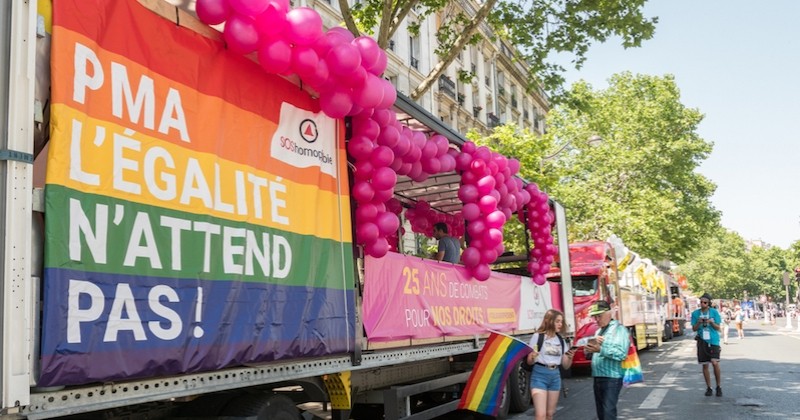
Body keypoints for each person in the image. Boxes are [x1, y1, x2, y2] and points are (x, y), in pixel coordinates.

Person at [525, 309, 576, 420]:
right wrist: (532, 356)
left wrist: (570, 357)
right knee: (540, 415)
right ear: (549, 321)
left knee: (549, 414)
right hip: (539, 375)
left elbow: (565, 365)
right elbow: (529, 361)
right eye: (557, 321)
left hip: (555, 377)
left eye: (561, 322)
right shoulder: (538, 337)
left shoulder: (560, 340)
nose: (560, 324)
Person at [584, 301, 629, 420]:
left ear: (609, 313)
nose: (597, 320)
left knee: (608, 412)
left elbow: (622, 354)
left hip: (611, 377)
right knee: (602, 413)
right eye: (595, 317)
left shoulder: (619, 330)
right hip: (598, 376)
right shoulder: (598, 331)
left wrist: (600, 349)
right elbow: (592, 353)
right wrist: (588, 349)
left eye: (599, 316)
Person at [691, 293, 722, 397]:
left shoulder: (714, 312)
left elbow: (718, 327)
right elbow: (694, 329)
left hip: (713, 340)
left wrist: (711, 322)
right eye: (701, 302)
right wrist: (699, 322)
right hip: (702, 341)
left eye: (705, 302)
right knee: (705, 364)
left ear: (709, 303)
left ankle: (718, 386)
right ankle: (709, 387)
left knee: (714, 362)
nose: (702, 304)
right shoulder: (695, 313)